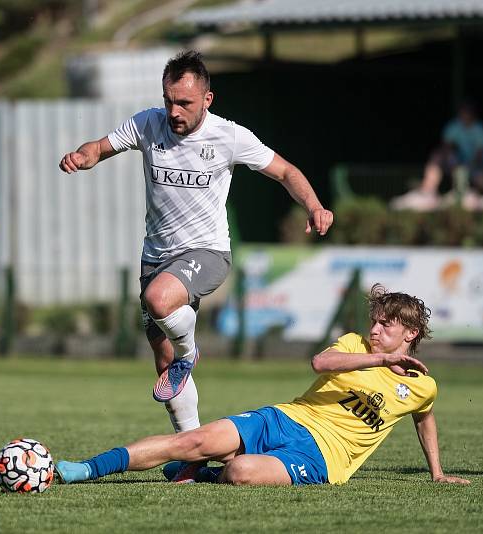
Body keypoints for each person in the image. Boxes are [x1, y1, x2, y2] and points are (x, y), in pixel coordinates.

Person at [59, 50, 333, 434]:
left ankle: (190, 351)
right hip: (155, 256)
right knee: (163, 362)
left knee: (160, 302)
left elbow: (286, 171)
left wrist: (314, 205)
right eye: (169, 101)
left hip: (207, 252)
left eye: (184, 103)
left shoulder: (229, 136)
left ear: (207, 99)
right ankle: (190, 450)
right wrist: (82, 156)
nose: (174, 112)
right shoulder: (148, 124)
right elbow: (101, 147)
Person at [55, 284, 470, 487]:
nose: (375, 328)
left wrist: (437, 472)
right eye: (375, 320)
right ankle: (86, 469)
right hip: (284, 418)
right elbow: (320, 362)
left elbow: (424, 418)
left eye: (386, 324)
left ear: (411, 332)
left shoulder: (422, 386)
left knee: (239, 473)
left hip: (323, 458)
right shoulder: (356, 346)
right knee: (192, 441)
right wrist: (380, 356)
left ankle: (200, 476)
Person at [392, 102, 483, 211]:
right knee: (437, 156)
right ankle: (427, 190)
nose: (464, 115)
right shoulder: (454, 126)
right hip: (455, 166)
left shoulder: (480, 130)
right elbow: (446, 147)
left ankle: (469, 193)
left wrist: (467, 168)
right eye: (462, 112)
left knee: (477, 179)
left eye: (466, 112)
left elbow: (480, 155)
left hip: (475, 168)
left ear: (472, 114)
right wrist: (452, 160)